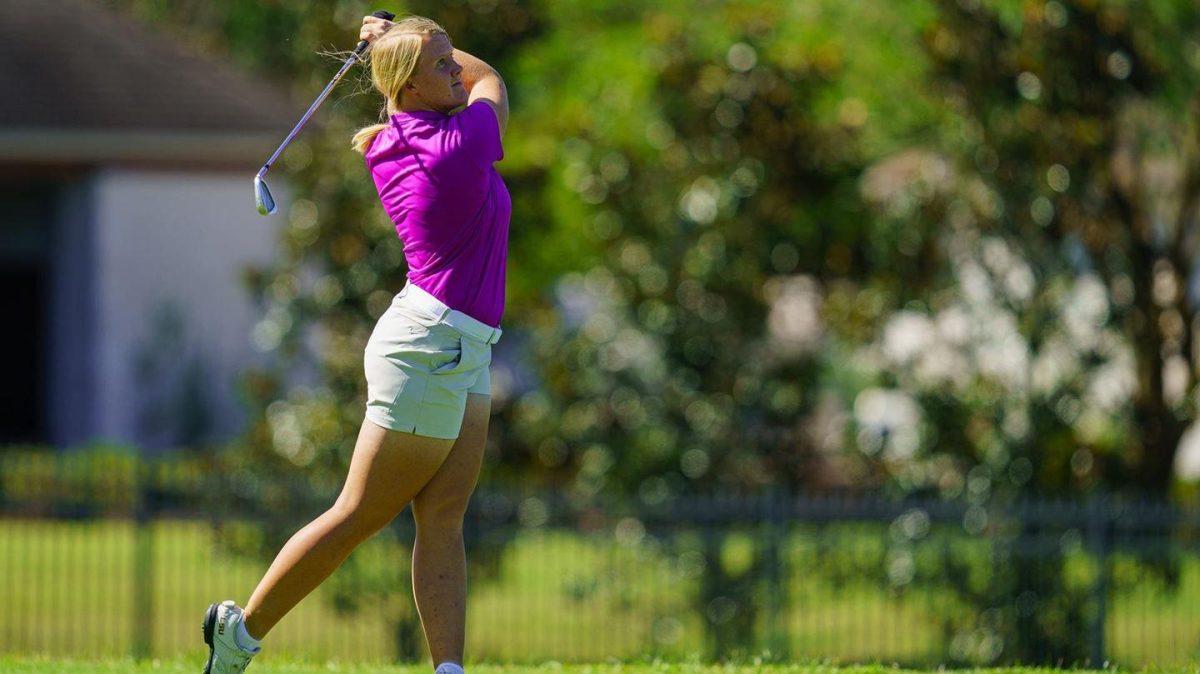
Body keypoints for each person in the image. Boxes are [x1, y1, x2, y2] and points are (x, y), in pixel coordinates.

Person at [202, 14, 510, 674]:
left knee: (444, 518)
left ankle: (449, 669)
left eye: (453, 58)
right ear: (409, 85)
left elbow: (448, 81)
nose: (457, 71)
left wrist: (409, 41)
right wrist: (402, 32)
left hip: (459, 342)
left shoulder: (396, 136)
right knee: (359, 514)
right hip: (433, 347)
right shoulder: (458, 144)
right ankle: (241, 632)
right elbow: (493, 80)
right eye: (441, 66)